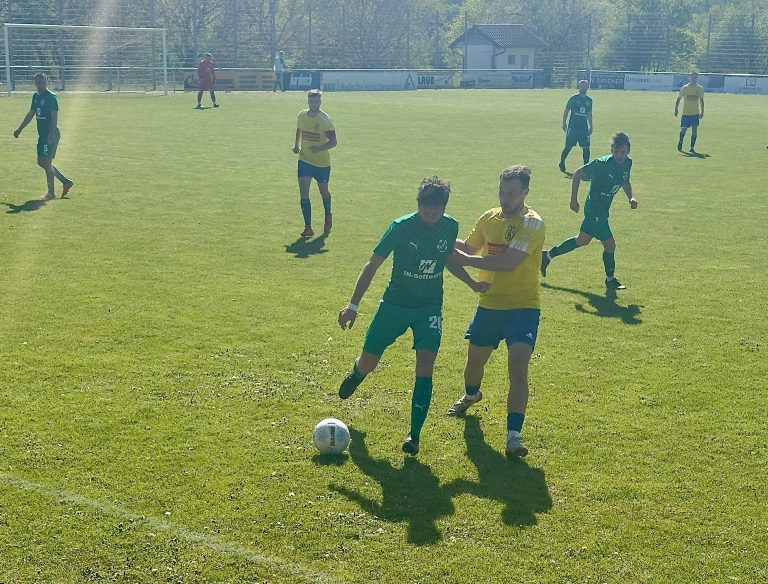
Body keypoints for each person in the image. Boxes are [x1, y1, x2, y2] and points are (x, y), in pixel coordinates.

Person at [337, 177, 489, 456]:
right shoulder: (401, 226)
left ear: (444, 208)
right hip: (394, 305)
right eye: (425, 211)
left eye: (436, 212)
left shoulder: (450, 226)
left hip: (429, 308)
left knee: (425, 363)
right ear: (418, 205)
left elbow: (448, 259)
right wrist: (353, 306)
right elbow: (372, 265)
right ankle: (358, 372)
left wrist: (471, 284)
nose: (430, 217)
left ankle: (414, 435)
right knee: (369, 361)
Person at [447, 165, 545, 458]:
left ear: (525, 192)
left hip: (523, 306)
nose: (505, 198)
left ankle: (514, 436)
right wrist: (439, 234)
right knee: (474, 364)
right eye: (502, 192)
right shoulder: (489, 218)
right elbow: (469, 247)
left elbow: (508, 262)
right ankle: (471, 395)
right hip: (489, 305)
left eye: (512, 194)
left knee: (518, 365)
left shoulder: (532, 223)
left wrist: (466, 261)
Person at [541, 132, 637, 290]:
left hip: (603, 210)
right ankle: (610, 279)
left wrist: (630, 197)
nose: (619, 155)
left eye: (623, 152)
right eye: (616, 151)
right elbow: (578, 173)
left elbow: (625, 181)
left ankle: (547, 255)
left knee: (582, 240)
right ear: (612, 150)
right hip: (594, 209)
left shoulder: (628, 163)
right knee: (610, 245)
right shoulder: (601, 164)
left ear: (628, 151)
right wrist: (573, 200)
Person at [13, 72, 74, 200]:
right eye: (38, 82)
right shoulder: (35, 96)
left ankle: (51, 193)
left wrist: (51, 133)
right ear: (35, 83)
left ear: (47, 82)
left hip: (50, 134)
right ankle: (66, 182)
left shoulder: (51, 97)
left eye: (42, 82)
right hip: (42, 135)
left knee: (46, 162)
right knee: (42, 162)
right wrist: (19, 129)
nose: (40, 85)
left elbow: (54, 117)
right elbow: (31, 114)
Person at [292, 89, 336, 238]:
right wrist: (296, 146)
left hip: (321, 164)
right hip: (304, 160)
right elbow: (299, 131)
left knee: (324, 192)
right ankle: (308, 227)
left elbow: (333, 142)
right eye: (311, 102)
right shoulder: (302, 116)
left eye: (316, 102)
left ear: (320, 102)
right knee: (304, 193)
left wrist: (318, 149)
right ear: (308, 102)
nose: (314, 104)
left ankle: (328, 215)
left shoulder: (325, 120)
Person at [559, 79, 593, 174]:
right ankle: (562, 162)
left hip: (584, 128)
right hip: (573, 127)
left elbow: (589, 114)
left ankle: (586, 167)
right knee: (568, 147)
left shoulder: (589, 100)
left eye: (585, 86)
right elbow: (566, 111)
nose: (583, 88)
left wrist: (591, 126)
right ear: (579, 87)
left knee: (586, 148)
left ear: (587, 87)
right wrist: (564, 123)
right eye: (581, 86)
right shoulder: (573, 98)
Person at [675, 71, 704, 153]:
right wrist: (676, 109)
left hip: (695, 113)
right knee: (683, 130)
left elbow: (701, 100)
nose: (693, 78)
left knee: (694, 130)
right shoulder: (685, 88)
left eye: (695, 77)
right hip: (686, 113)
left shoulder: (700, 88)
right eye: (692, 77)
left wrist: (702, 111)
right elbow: (679, 98)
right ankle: (681, 141)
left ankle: (692, 147)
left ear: (697, 78)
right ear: (690, 77)